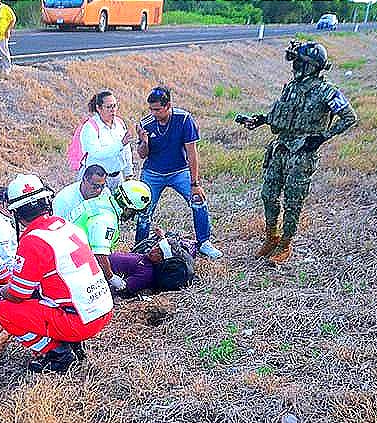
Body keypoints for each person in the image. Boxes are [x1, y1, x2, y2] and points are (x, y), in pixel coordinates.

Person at [238, 41, 357, 264]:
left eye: (300, 62)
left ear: (312, 66)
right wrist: (261, 120)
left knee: (293, 201)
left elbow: (350, 118)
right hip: (280, 148)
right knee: (268, 195)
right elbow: (281, 115)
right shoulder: (291, 87)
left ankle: (285, 244)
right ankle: (271, 237)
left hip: (302, 154)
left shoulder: (327, 92)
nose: (295, 66)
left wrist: (322, 137)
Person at [0, 174, 114, 373]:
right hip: (102, 309)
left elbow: (18, 294)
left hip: (80, 321)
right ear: (46, 202)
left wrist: (0, 290)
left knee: (5, 310)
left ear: (17, 214)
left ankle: (57, 353)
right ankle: (69, 341)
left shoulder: (33, 240)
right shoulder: (66, 224)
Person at [135, 86, 223, 259]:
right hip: (153, 173)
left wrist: (195, 183)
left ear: (168, 106)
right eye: (151, 109)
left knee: (198, 200)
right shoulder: (146, 124)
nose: (154, 113)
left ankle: (204, 242)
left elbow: (192, 152)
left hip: (179, 171)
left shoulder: (184, 119)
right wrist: (144, 142)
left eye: (157, 109)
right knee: (144, 211)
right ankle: (139, 249)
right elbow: (142, 154)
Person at [70, 179, 151, 292]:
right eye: (134, 212)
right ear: (127, 208)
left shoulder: (101, 201)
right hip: (74, 262)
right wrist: (111, 278)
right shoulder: (107, 220)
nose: (132, 217)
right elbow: (99, 254)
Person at [79, 90, 134, 190]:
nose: (113, 110)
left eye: (114, 106)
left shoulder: (120, 123)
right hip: (95, 182)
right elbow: (97, 153)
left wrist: (129, 174)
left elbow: (126, 151)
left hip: (117, 178)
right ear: (98, 108)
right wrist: (120, 144)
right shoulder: (90, 127)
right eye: (109, 107)